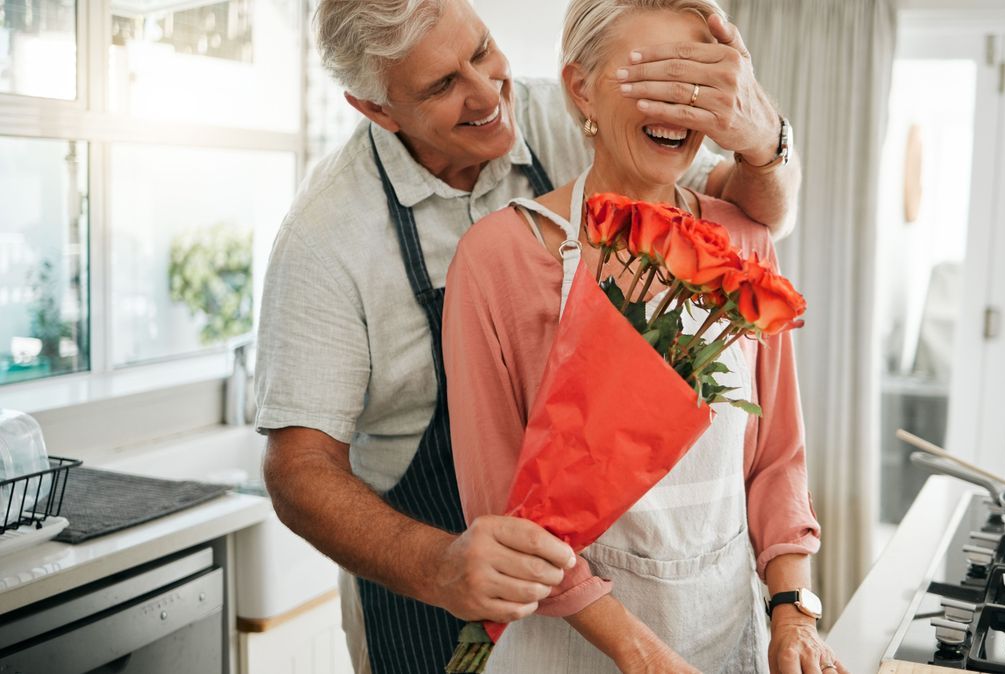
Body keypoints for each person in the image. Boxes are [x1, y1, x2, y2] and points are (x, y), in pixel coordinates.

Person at [255, 0, 802, 672]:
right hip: (424, 569)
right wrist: (441, 567)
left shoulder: (558, 111)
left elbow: (749, 211)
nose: (486, 94)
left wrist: (765, 134)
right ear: (379, 111)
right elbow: (297, 471)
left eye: (482, 51)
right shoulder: (325, 238)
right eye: (441, 86)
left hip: (644, 597)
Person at [443, 1, 842, 672]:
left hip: (723, 636)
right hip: (572, 647)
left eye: (695, 81)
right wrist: (640, 654)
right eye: (650, 76)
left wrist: (793, 613)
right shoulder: (499, 259)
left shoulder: (743, 242)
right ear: (580, 89)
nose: (676, 105)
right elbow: (507, 519)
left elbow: (779, 460)